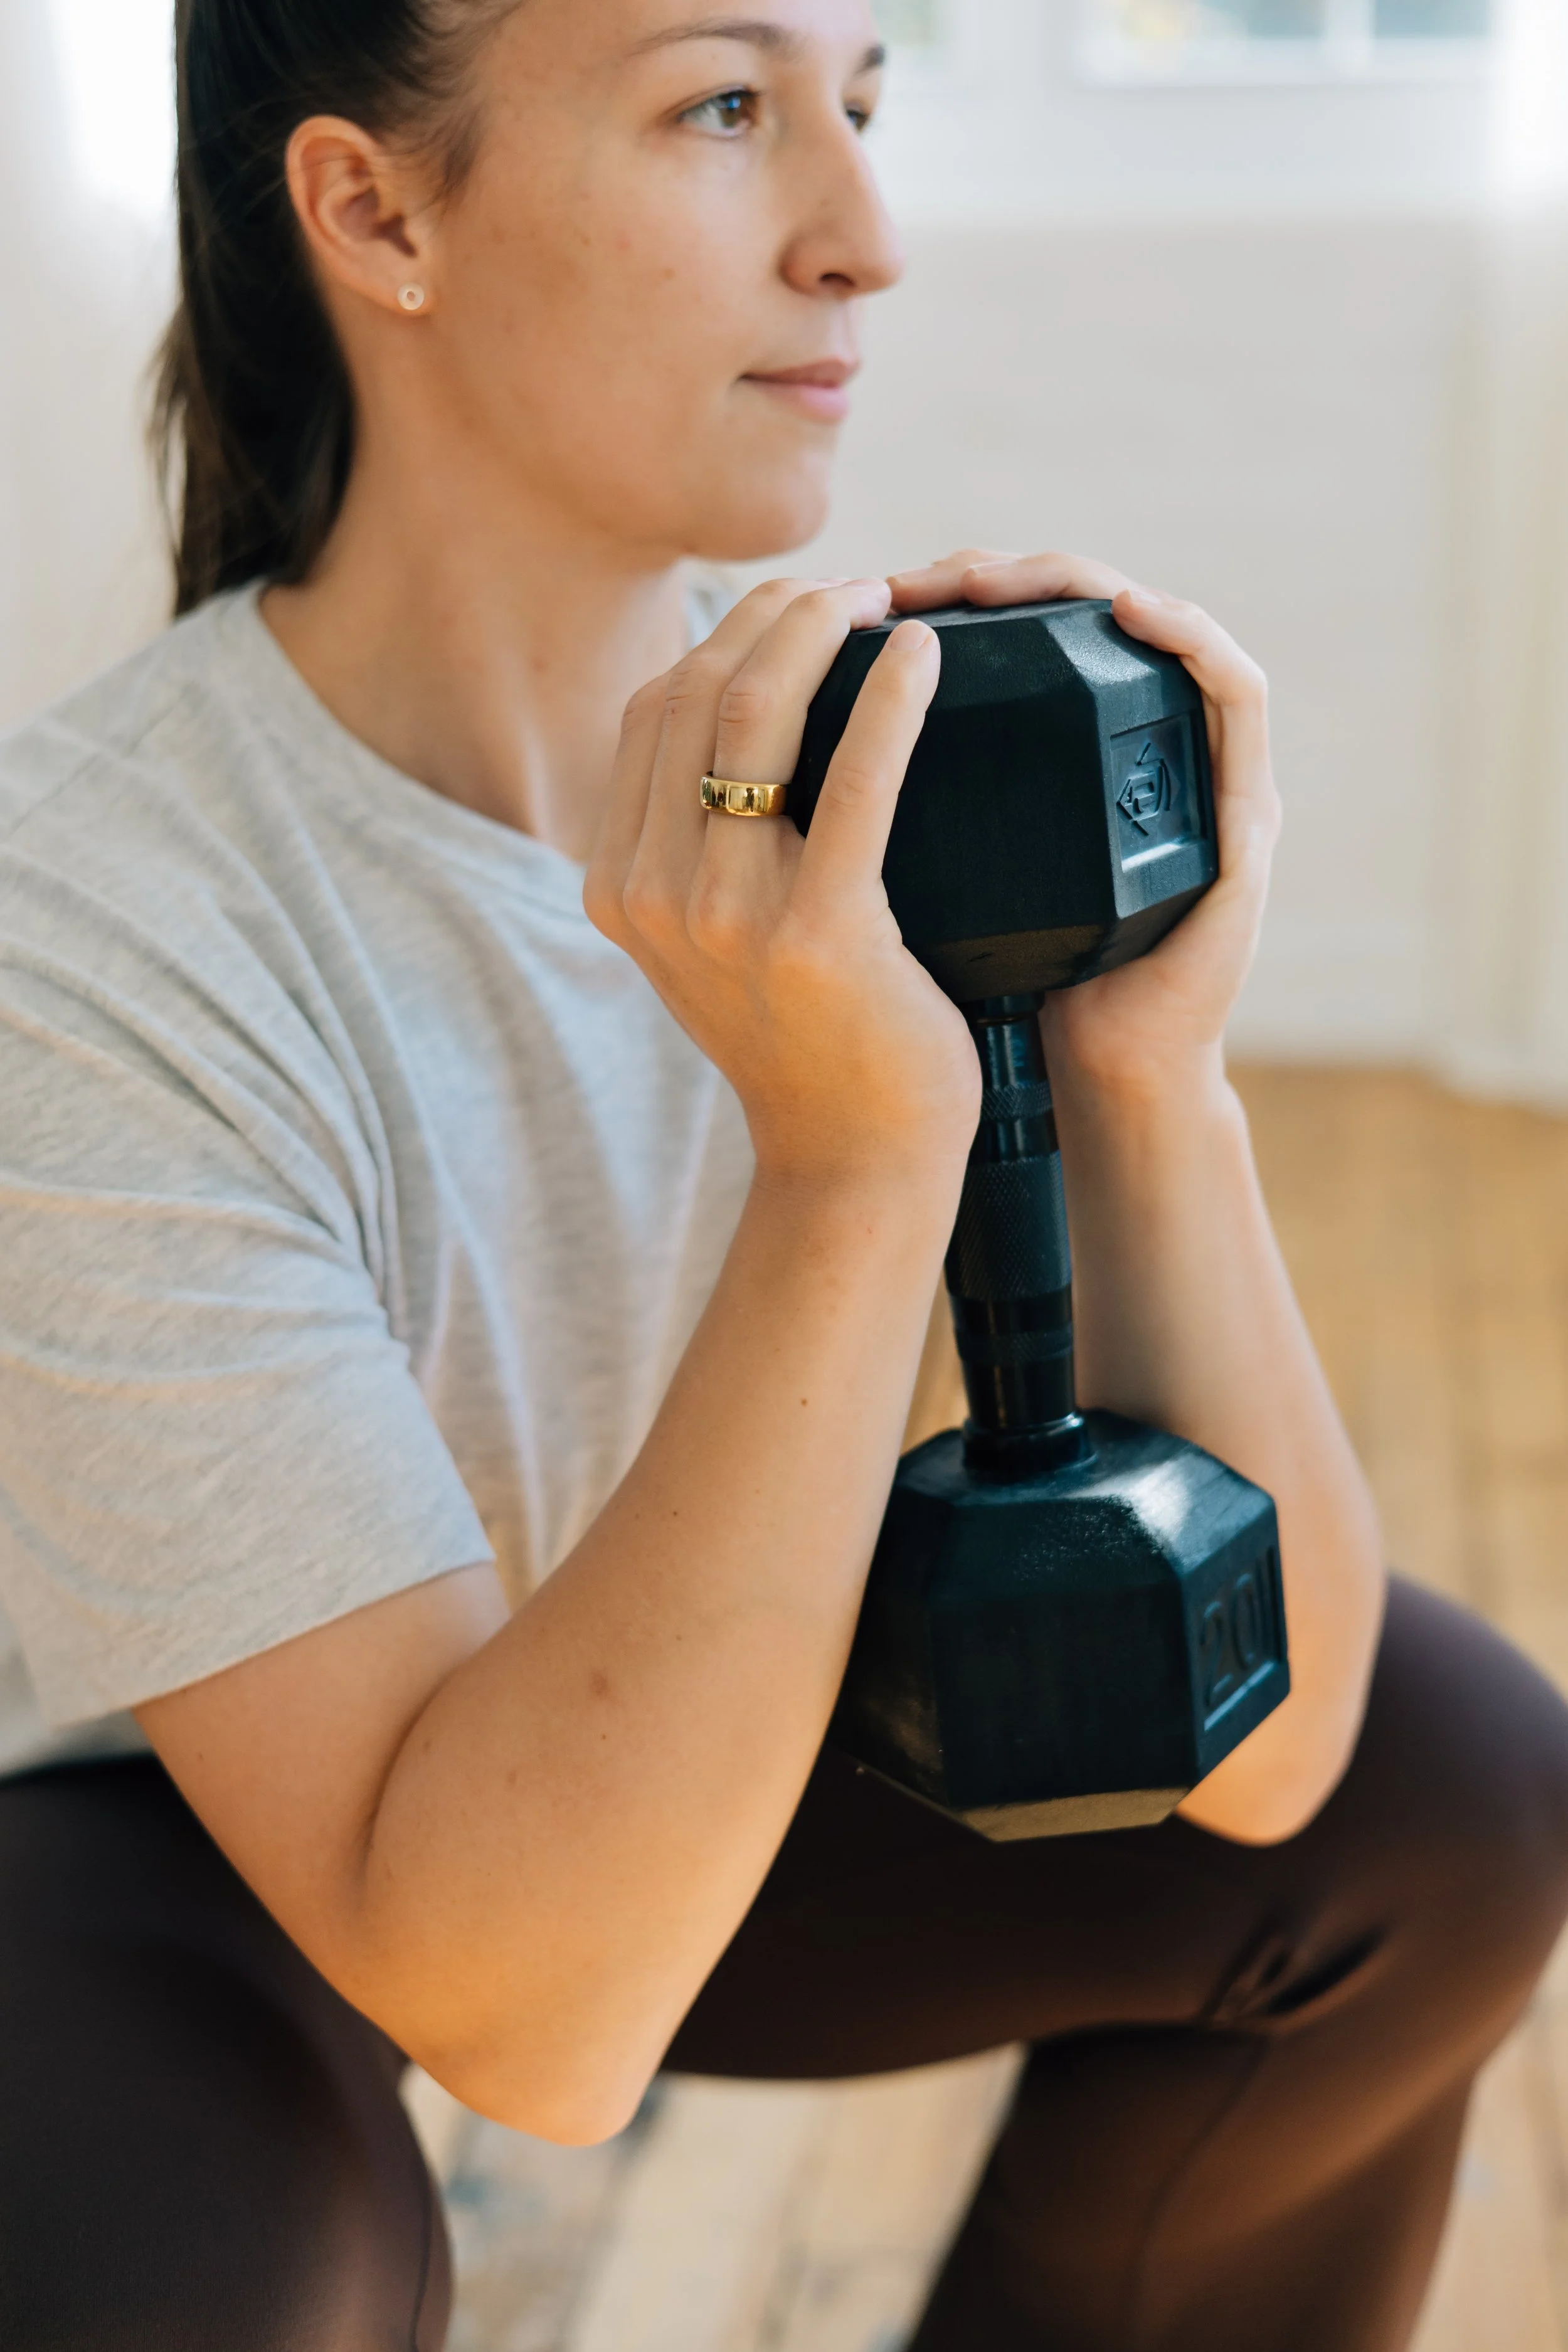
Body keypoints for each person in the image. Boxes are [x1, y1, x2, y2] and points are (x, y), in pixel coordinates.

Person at [0, 3, 1564, 2346]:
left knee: (1441, 1804)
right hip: (168, 1821)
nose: (864, 239)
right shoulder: (93, 923)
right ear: (375, 209)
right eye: (725, 108)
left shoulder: (883, 782)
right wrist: (851, 1172)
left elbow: (1281, 1749)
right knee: (226, 2288)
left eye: (864, 100)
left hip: (664, 1690)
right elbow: (531, 2016)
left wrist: (1145, 1070)